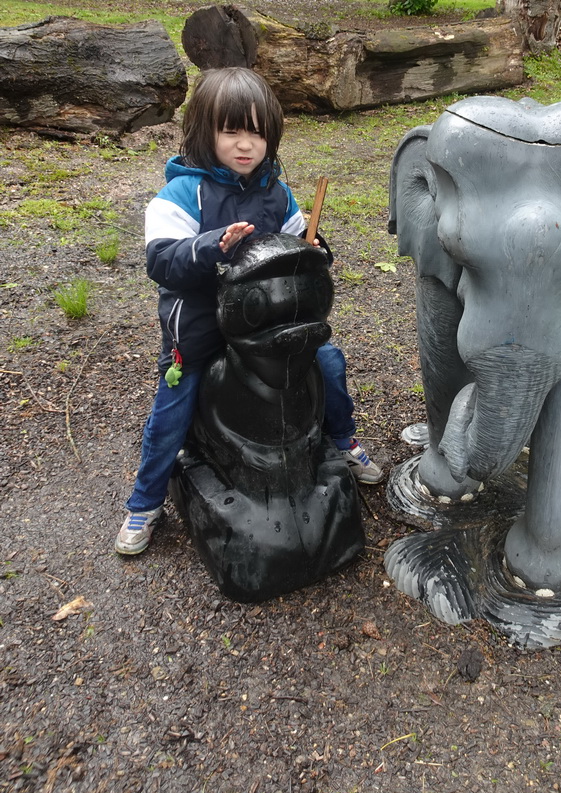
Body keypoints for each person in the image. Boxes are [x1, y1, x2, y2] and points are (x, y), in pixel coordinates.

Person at [115, 67, 383, 556]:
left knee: (328, 363)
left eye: (257, 132)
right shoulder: (181, 193)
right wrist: (210, 246)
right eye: (231, 130)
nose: (246, 144)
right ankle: (145, 499)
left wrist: (315, 247)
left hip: (270, 322)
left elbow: (302, 241)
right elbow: (161, 262)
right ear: (204, 131)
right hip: (202, 326)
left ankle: (343, 440)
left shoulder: (276, 193)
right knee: (176, 401)